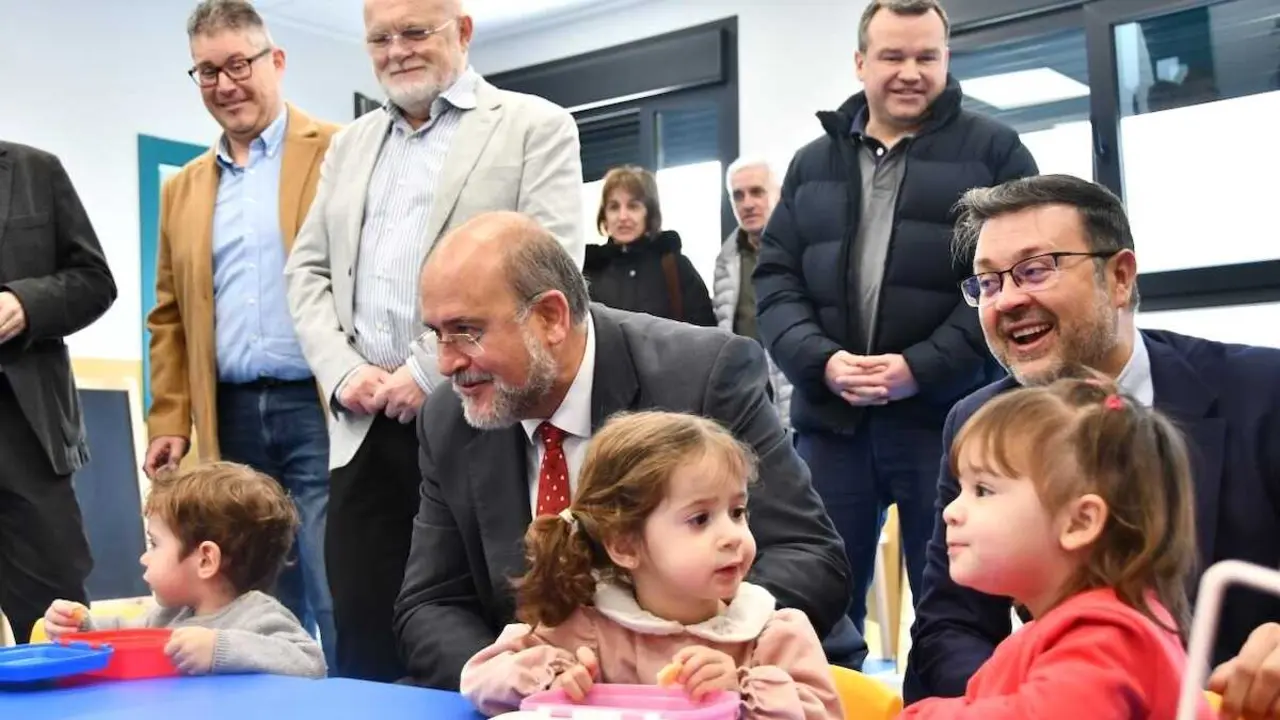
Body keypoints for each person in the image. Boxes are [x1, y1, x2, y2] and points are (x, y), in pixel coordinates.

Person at [395, 211, 851, 690]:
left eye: (467, 331)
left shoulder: (702, 377)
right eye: (436, 334)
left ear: (550, 317)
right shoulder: (449, 418)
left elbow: (809, 557)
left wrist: (678, 659)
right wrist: (517, 681)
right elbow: (430, 603)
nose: (446, 363)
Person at [904, 175, 1280, 720]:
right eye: (987, 283)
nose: (1007, 300)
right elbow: (950, 625)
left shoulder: (1263, 390)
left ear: (1120, 277)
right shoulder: (976, 421)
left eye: (1035, 270)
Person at [284, 0, 583, 682]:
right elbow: (307, 270)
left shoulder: (534, 126)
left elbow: (554, 265)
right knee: (359, 630)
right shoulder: (347, 146)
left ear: (464, 31)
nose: (398, 50)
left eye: (416, 31)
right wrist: (343, 370)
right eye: (380, 38)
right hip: (361, 423)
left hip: (477, 413)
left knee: (481, 622)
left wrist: (425, 371)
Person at [754, 0, 1038, 634]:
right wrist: (820, 362)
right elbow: (774, 280)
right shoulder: (811, 163)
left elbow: (1017, 282)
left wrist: (919, 368)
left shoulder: (995, 151)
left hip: (946, 419)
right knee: (813, 609)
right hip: (832, 425)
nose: (910, 71)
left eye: (926, 57)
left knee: (957, 608)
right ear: (861, 62)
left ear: (946, 60)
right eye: (892, 56)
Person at [143, 0, 338, 668]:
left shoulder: (338, 151)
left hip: (318, 406)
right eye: (206, 72)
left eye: (237, 65)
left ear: (274, 62)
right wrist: (170, 417)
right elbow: (168, 313)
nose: (224, 85)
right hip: (229, 415)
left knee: (332, 575)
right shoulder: (185, 188)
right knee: (247, 588)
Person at [460, 411, 843, 720]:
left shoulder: (771, 636)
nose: (732, 536)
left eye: (737, 511)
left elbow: (824, 714)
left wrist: (739, 691)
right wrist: (556, 677)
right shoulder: (587, 628)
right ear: (625, 546)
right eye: (700, 519)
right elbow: (480, 676)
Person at [899, 377, 1213, 719]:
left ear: (1079, 523)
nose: (951, 511)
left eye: (983, 491)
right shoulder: (1039, 637)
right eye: (961, 489)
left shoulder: (1108, 634)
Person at [43, 462, 326, 679]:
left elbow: (311, 662)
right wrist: (82, 627)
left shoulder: (257, 615)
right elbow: (125, 635)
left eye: (155, 544)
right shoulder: (170, 614)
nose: (144, 558)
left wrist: (220, 649)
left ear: (205, 560)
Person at [0, 140, 116, 644]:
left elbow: (95, 281)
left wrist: (26, 303)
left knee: (53, 621)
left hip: (25, 433)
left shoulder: (34, 170)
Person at [714, 157, 792, 430]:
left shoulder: (802, 248)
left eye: (757, 192)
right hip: (747, 397)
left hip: (795, 391)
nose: (747, 203)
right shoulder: (726, 259)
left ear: (779, 194)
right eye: (738, 195)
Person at [583, 165, 715, 326]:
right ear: (604, 215)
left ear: (650, 213)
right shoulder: (588, 272)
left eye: (633, 206)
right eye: (614, 207)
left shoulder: (674, 267)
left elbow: (704, 333)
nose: (622, 216)